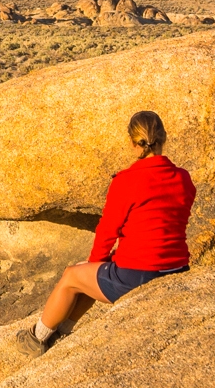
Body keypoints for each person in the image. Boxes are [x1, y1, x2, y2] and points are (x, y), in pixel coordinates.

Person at [31, 110, 194, 346]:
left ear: (132, 143)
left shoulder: (127, 180)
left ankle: (36, 340)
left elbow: (108, 230)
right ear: (164, 137)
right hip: (176, 269)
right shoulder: (183, 178)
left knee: (72, 276)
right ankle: (62, 333)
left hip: (137, 275)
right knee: (92, 272)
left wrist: (95, 262)